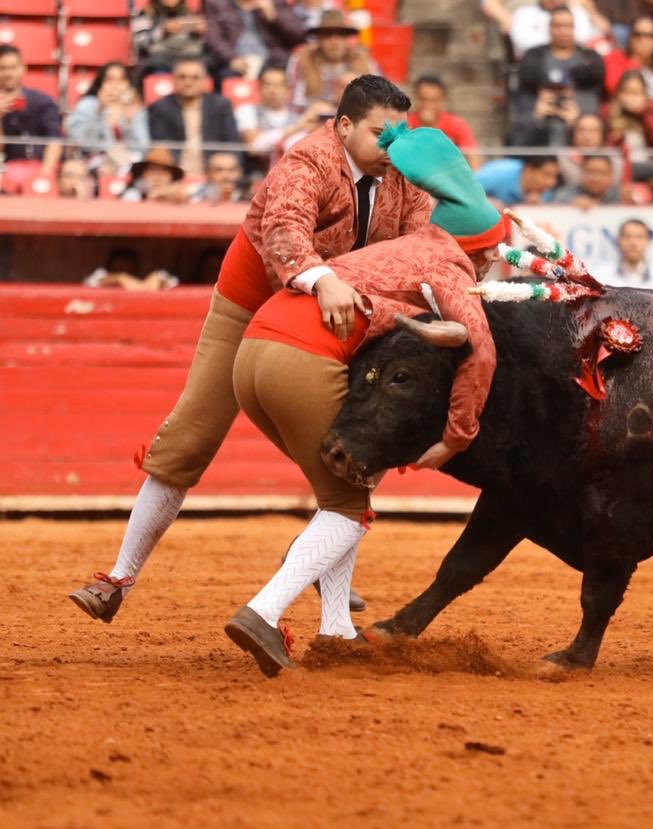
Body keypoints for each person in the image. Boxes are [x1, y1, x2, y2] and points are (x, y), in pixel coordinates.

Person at [68, 76, 433, 625]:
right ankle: (120, 576)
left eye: (400, 135)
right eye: (381, 134)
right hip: (253, 305)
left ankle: (331, 599)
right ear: (343, 126)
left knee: (358, 448)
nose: (392, 146)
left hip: (334, 316)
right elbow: (284, 229)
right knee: (192, 433)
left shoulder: (406, 174)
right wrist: (321, 277)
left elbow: (419, 243)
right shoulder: (308, 160)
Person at [223, 126, 502, 675]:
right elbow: (483, 353)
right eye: (490, 254)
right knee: (349, 507)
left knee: (350, 486)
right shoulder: (450, 267)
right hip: (302, 357)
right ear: (481, 250)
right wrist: (456, 436)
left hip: (251, 352)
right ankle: (263, 610)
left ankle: (336, 628)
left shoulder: (400, 245)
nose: (492, 263)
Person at [509, 7, 606, 147]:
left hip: (577, 140)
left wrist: (578, 122)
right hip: (541, 136)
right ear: (549, 28)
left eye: (568, 26)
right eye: (558, 26)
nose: (563, 31)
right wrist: (536, 116)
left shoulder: (589, 61)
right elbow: (518, 135)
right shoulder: (534, 59)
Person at [147, 57, 241, 179]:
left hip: (214, 175)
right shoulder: (160, 107)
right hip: (175, 175)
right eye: (182, 77)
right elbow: (160, 144)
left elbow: (232, 143)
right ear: (173, 80)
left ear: (205, 80)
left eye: (195, 78)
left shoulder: (221, 105)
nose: (188, 82)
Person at [65, 62, 150, 179]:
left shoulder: (136, 109)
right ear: (101, 83)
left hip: (130, 162)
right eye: (109, 80)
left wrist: (131, 122)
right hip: (94, 163)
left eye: (121, 80)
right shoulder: (88, 105)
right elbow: (83, 143)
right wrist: (99, 112)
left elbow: (143, 147)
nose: (115, 85)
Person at [0, 45, 62, 195]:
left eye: (13, 67)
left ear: (23, 68)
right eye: (2, 68)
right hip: (6, 171)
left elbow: (55, 140)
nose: (8, 73)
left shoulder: (42, 101)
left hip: (41, 167)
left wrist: (44, 175)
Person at [237, 63, 325, 165]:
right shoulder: (247, 110)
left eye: (278, 85)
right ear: (259, 87)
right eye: (267, 84)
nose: (272, 90)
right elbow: (254, 146)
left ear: (288, 90)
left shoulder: (297, 117)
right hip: (257, 172)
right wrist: (298, 127)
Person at [287, 10, 373, 112]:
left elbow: (379, 101)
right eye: (328, 35)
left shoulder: (362, 60)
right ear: (319, 39)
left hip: (353, 121)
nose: (334, 42)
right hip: (313, 122)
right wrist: (313, 107)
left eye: (340, 36)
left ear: (346, 39)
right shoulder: (302, 60)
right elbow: (293, 104)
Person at [203, 0, 306, 82]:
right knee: (223, 75)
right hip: (235, 62)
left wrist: (273, 16)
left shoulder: (276, 3)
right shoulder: (217, 4)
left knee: (284, 76)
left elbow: (297, 37)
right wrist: (232, 58)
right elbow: (214, 39)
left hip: (273, 61)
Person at [606, 69, 653, 178]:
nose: (631, 97)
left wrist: (642, 113)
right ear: (618, 94)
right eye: (626, 92)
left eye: (636, 93)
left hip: (652, 166)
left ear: (645, 95)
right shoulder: (609, 112)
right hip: (620, 168)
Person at [407, 75, 479, 169]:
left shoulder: (457, 124)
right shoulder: (406, 125)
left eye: (433, 100)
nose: (428, 105)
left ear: (442, 99)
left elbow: (473, 156)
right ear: (416, 97)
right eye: (423, 99)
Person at [595, 218, 653, 290]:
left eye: (639, 237)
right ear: (619, 240)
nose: (633, 243)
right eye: (627, 236)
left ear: (648, 241)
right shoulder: (600, 278)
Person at [132, 0, 206, 78]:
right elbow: (142, 42)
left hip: (186, 56)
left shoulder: (188, 12)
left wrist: (198, 32)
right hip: (159, 58)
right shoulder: (145, 13)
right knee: (158, 65)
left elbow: (199, 44)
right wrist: (163, 31)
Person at [508, 0, 601, 60]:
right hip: (536, 65)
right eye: (557, 27)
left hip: (575, 65)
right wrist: (559, 42)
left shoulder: (577, 12)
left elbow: (584, 37)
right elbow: (523, 43)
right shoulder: (524, 13)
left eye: (567, 26)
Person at [475, 155, 560, 205]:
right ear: (529, 170)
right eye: (546, 175)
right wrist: (487, 202)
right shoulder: (497, 174)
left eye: (554, 176)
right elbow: (467, 191)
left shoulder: (546, 192)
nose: (551, 182)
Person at [84, 247, 178, 291]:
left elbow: (171, 281)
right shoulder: (104, 275)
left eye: (127, 266)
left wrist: (157, 278)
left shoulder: (144, 276)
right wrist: (120, 278)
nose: (124, 269)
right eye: (120, 267)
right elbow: (92, 281)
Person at [120, 147, 189, 203]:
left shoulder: (178, 194)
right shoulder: (132, 194)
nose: (157, 176)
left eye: (164, 171)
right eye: (152, 170)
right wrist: (157, 193)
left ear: (171, 176)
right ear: (143, 174)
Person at [553, 153, 620, 207]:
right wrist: (571, 205)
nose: (595, 178)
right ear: (581, 174)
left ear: (611, 177)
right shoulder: (565, 195)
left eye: (601, 173)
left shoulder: (619, 196)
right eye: (590, 172)